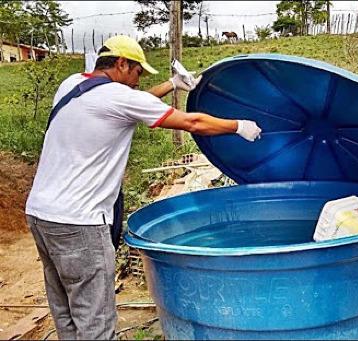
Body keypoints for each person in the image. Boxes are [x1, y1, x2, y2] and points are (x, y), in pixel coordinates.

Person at [25, 35, 262, 340]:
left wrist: (173, 84)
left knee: (66, 311)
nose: (138, 81)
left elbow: (131, 103)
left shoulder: (71, 85)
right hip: (80, 223)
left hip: (42, 216)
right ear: (121, 63)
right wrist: (238, 126)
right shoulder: (120, 99)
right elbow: (193, 123)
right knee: (94, 319)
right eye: (137, 72)